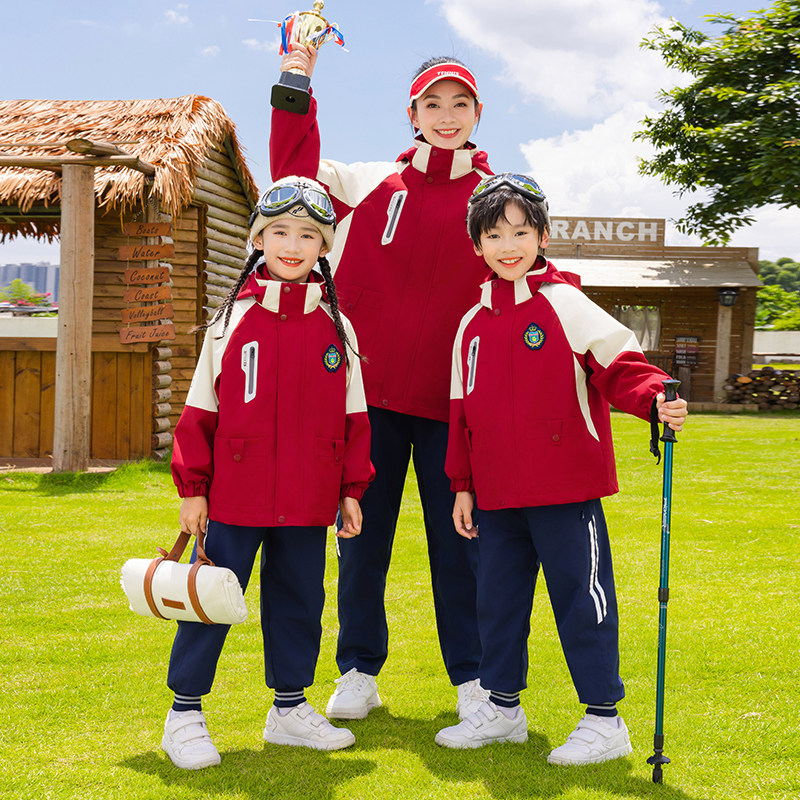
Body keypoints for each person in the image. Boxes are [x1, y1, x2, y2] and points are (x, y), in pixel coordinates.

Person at [270, 49, 494, 720]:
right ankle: (359, 670)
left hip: (451, 408)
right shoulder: (370, 182)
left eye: (459, 105)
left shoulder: (494, 200)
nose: (446, 117)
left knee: (460, 549)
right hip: (364, 407)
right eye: (433, 105)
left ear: (477, 115)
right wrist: (296, 78)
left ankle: (474, 681)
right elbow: (293, 175)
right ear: (413, 114)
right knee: (360, 543)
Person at [434, 174, 688, 764]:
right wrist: (462, 486)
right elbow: (460, 413)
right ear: (478, 246)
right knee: (496, 602)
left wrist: (654, 396)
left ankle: (604, 719)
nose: (508, 245)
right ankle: (501, 709)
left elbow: (620, 363)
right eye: (494, 234)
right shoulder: (469, 324)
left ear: (543, 236)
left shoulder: (564, 301)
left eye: (521, 231)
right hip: (496, 494)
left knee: (582, 597)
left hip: (565, 488)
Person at [162, 176, 374, 769]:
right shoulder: (229, 321)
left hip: (309, 500)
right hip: (236, 496)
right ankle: (184, 714)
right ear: (258, 237)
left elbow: (355, 417)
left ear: (324, 247)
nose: (292, 244)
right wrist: (194, 490)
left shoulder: (340, 329)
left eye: (309, 234)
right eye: (279, 231)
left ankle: (288, 710)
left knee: (301, 601)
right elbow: (200, 410)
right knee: (211, 600)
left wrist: (351, 491)